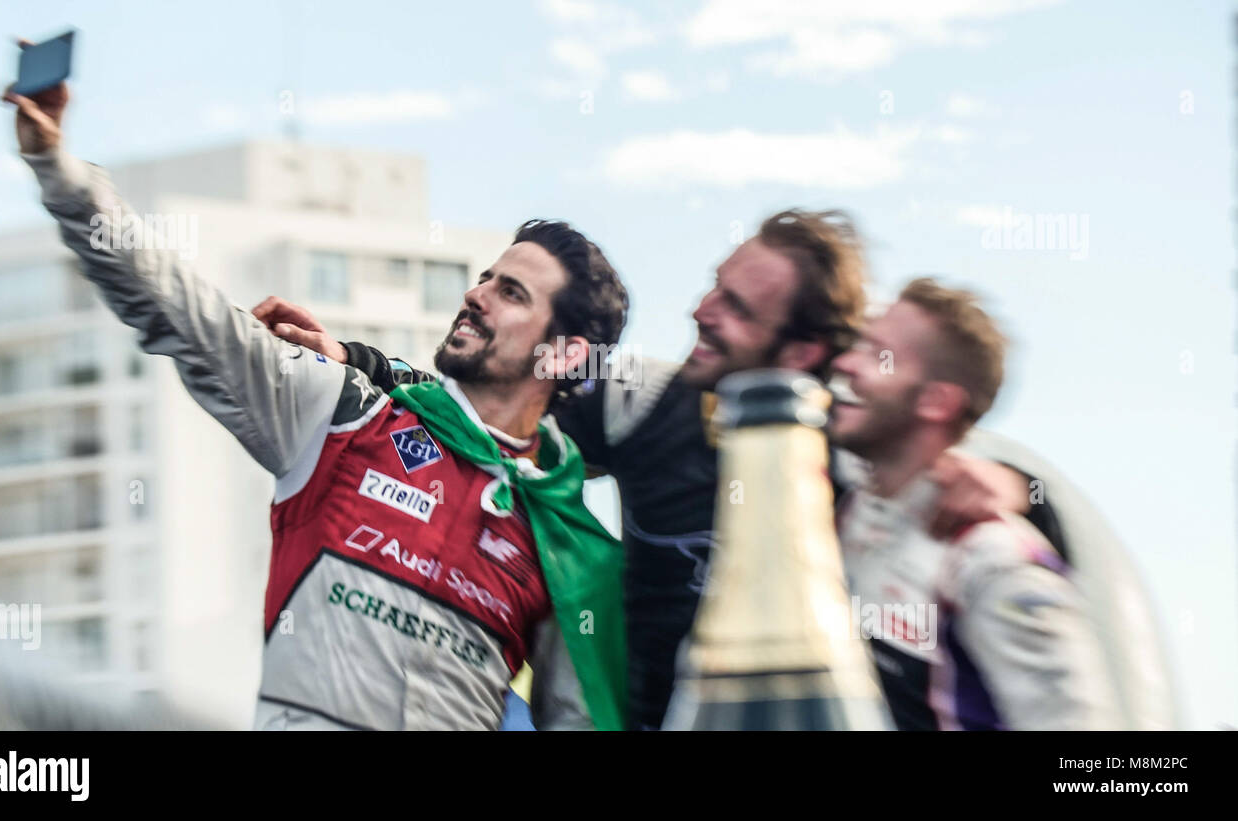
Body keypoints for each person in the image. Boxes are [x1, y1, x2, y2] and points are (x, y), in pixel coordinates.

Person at [255, 211, 1065, 729]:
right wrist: (357, 362)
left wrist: (1020, 492)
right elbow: (499, 396)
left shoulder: (851, 466)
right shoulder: (649, 399)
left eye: (736, 308)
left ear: (805, 352)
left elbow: (978, 510)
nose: (699, 313)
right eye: (713, 286)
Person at [3, 74, 631, 730]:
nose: (477, 295)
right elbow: (177, 308)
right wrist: (61, 171)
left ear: (564, 355)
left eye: (512, 293)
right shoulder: (344, 414)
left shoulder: (578, 549)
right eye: (484, 277)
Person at [829, 278, 1114, 729]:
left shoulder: (993, 559)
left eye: (877, 355)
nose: (845, 363)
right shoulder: (834, 504)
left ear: (936, 401)